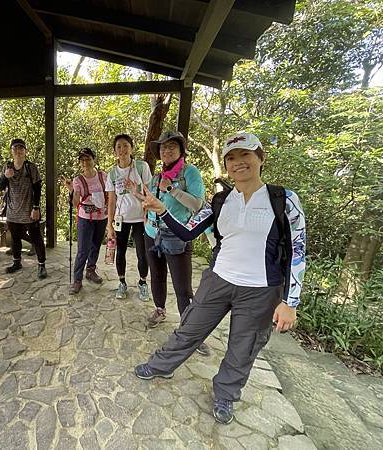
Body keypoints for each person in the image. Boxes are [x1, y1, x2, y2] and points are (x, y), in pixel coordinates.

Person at [134, 132, 306, 425]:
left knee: (243, 346)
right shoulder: (221, 200)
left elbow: (298, 250)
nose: (238, 162)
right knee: (189, 327)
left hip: (261, 289)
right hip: (219, 278)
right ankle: (162, 365)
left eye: (245, 155)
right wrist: (161, 209)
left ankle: (226, 393)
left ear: (260, 158)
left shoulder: (284, 200)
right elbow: (188, 231)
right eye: (231, 158)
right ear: (226, 165)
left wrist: (290, 301)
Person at [144, 131, 206, 338]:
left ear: (181, 150)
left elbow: (197, 204)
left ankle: (188, 328)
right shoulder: (158, 176)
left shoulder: (190, 172)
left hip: (177, 235)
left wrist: (171, 189)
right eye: (162, 147)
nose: (166, 150)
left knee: (182, 287)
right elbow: (151, 202)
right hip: (152, 233)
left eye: (171, 146)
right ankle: (160, 309)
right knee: (157, 275)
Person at [105, 134, 152, 301]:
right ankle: (122, 282)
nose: (122, 150)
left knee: (142, 253)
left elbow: (149, 194)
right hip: (121, 220)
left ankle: (142, 282)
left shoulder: (141, 167)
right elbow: (111, 201)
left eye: (125, 146)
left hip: (140, 219)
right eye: (118, 147)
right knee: (120, 252)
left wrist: (135, 192)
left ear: (131, 148)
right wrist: (109, 225)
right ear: (115, 151)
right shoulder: (112, 173)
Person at [0, 138, 47, 279]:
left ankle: (41, 265)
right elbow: (0, 186)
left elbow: (37, 188)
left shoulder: (30, 167)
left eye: (21, 149)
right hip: (13, 211)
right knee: (15, 237)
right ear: (11, 151)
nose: (18, 152)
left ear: (25, 151)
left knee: (36, 238)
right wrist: (5, 177)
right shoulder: (7, 167)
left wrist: (36, 207)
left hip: (29, 210)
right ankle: (16, 262)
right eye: (15, 149)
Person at [62, 148, 108, 294]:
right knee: (83, 250)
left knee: (96, 245)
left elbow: (110, 194)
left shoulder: (103, 176)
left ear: (94, 159)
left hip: (102, 217)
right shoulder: (78, 180)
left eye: (87, 158)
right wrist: (72, 191)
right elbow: (76, 202)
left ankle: (90, 270)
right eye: (82, 160)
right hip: (85, 219)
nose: (85, 162)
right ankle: (77, 280)